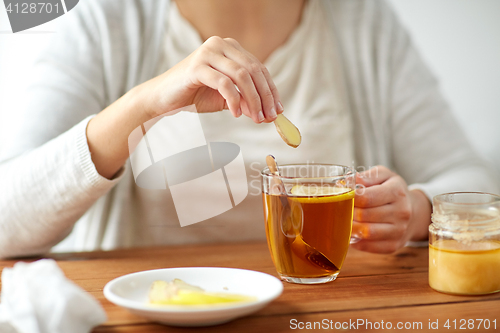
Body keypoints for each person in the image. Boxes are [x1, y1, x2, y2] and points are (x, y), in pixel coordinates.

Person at [0, 0, 497, 258]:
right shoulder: (107, 23)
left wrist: (415, 211)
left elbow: (477, 185)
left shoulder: (362, 23)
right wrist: (142, 105)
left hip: (328, 313)